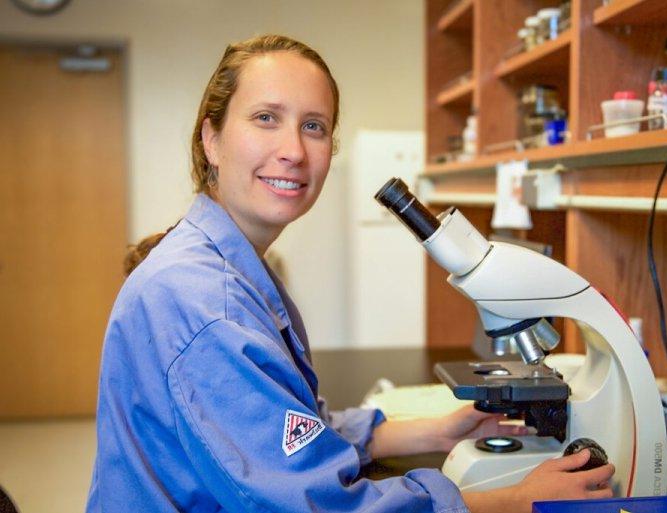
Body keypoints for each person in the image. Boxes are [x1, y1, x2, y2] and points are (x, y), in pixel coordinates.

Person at [87, 34, 614, 513]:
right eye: (266, 118)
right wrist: (516, 500)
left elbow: (287, 433)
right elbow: (318, 505)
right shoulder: (205, 304)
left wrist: (436, 430)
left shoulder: (232, 269)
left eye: (313, 126)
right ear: (212, 139)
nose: (293, 150)